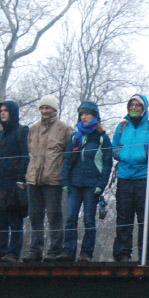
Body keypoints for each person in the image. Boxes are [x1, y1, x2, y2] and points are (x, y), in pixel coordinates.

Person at [112, 93, 149, 263]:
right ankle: (122, 254)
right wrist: (123, 154)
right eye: (131, 104)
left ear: (144, 108)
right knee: (123, 218)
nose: (134, 107)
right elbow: (114, 149)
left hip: (145, 179)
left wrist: (146, 154)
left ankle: (145, 255)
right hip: (124, 177)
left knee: (146, 219)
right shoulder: (122, 127)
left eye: (138, 105)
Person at [23, 94, 73, 261]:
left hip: (53, 179)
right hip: (33, 179)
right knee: (35, 215)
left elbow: (71, 155)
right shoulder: (33, 129)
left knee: (54, 215)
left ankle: (54, 250)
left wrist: (64, 176)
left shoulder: (65, 129)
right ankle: (35, 250)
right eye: (42, 108)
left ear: (54, 109)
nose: (44, 111)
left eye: (47, 108)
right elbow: (29, 152)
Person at [61, 101, 113, 261]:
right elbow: (68, 160)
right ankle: (68, 252)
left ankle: (86, 254)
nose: (84, 117)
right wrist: (65, 181)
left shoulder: (102, 138)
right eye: (82, 114)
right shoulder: (75, 137)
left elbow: (107, 164)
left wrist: (101, 185)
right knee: (70, 218)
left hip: (92, 185)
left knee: (89, 219)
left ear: (94, 116)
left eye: (87, 114)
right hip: (75, 184)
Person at [0, 101, 30, 262]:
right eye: (1, 111)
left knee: (15, 219)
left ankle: (13, 253)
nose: (3, 113)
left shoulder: (22, 131)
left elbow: (25, 155)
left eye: (6, 110)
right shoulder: (0, 135)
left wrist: (21, 178)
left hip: (13, 182)